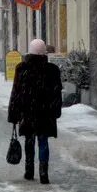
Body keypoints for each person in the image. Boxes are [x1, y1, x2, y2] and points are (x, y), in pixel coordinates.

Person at [7, 38, 62, 183]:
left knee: (29, 141)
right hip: (45, 114)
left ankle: (29, 170)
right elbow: (57, 94)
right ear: (44, 53)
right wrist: (56, 111)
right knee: (43, 142)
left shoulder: (22, 69)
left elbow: (16, 93)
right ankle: (43, 173)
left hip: (28, 113)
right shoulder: (52, 70)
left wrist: (14, 113)